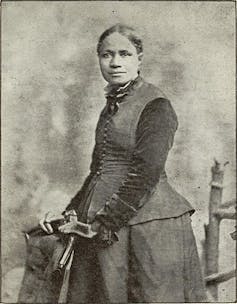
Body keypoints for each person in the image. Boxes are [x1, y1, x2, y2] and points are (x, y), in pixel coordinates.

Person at [20, 24, 207, 303]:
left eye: (124, 54)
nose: (115, 62)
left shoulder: (156, 106)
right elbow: (98, 170)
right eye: (107, 55)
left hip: (146, 224)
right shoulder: (111, 105)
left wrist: (104, 222)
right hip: (100, 220)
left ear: (139, 58)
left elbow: (146, 174)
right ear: (99, 59)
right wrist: (71, 212)